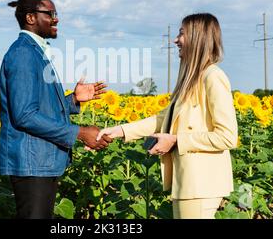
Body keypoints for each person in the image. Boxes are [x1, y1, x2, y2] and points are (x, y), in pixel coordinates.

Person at [97, 13, 238, 219]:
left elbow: (227, 136)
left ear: (197, 37)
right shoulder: (191, 79)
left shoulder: (212, 77)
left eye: (181, 33)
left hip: (200, 184)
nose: (175, 40)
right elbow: (163, 119)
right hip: (188, 182)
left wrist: (175, 140)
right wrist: (119, 130)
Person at [0, 0, 111, 219]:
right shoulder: (23, 54)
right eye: (50, 13)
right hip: (32, 162)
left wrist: (74, 100)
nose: (56, 18)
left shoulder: (35, 52)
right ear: (31, 18)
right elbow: (25, 115)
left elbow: (38, 107)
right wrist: (79, 133)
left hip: (39, 161)